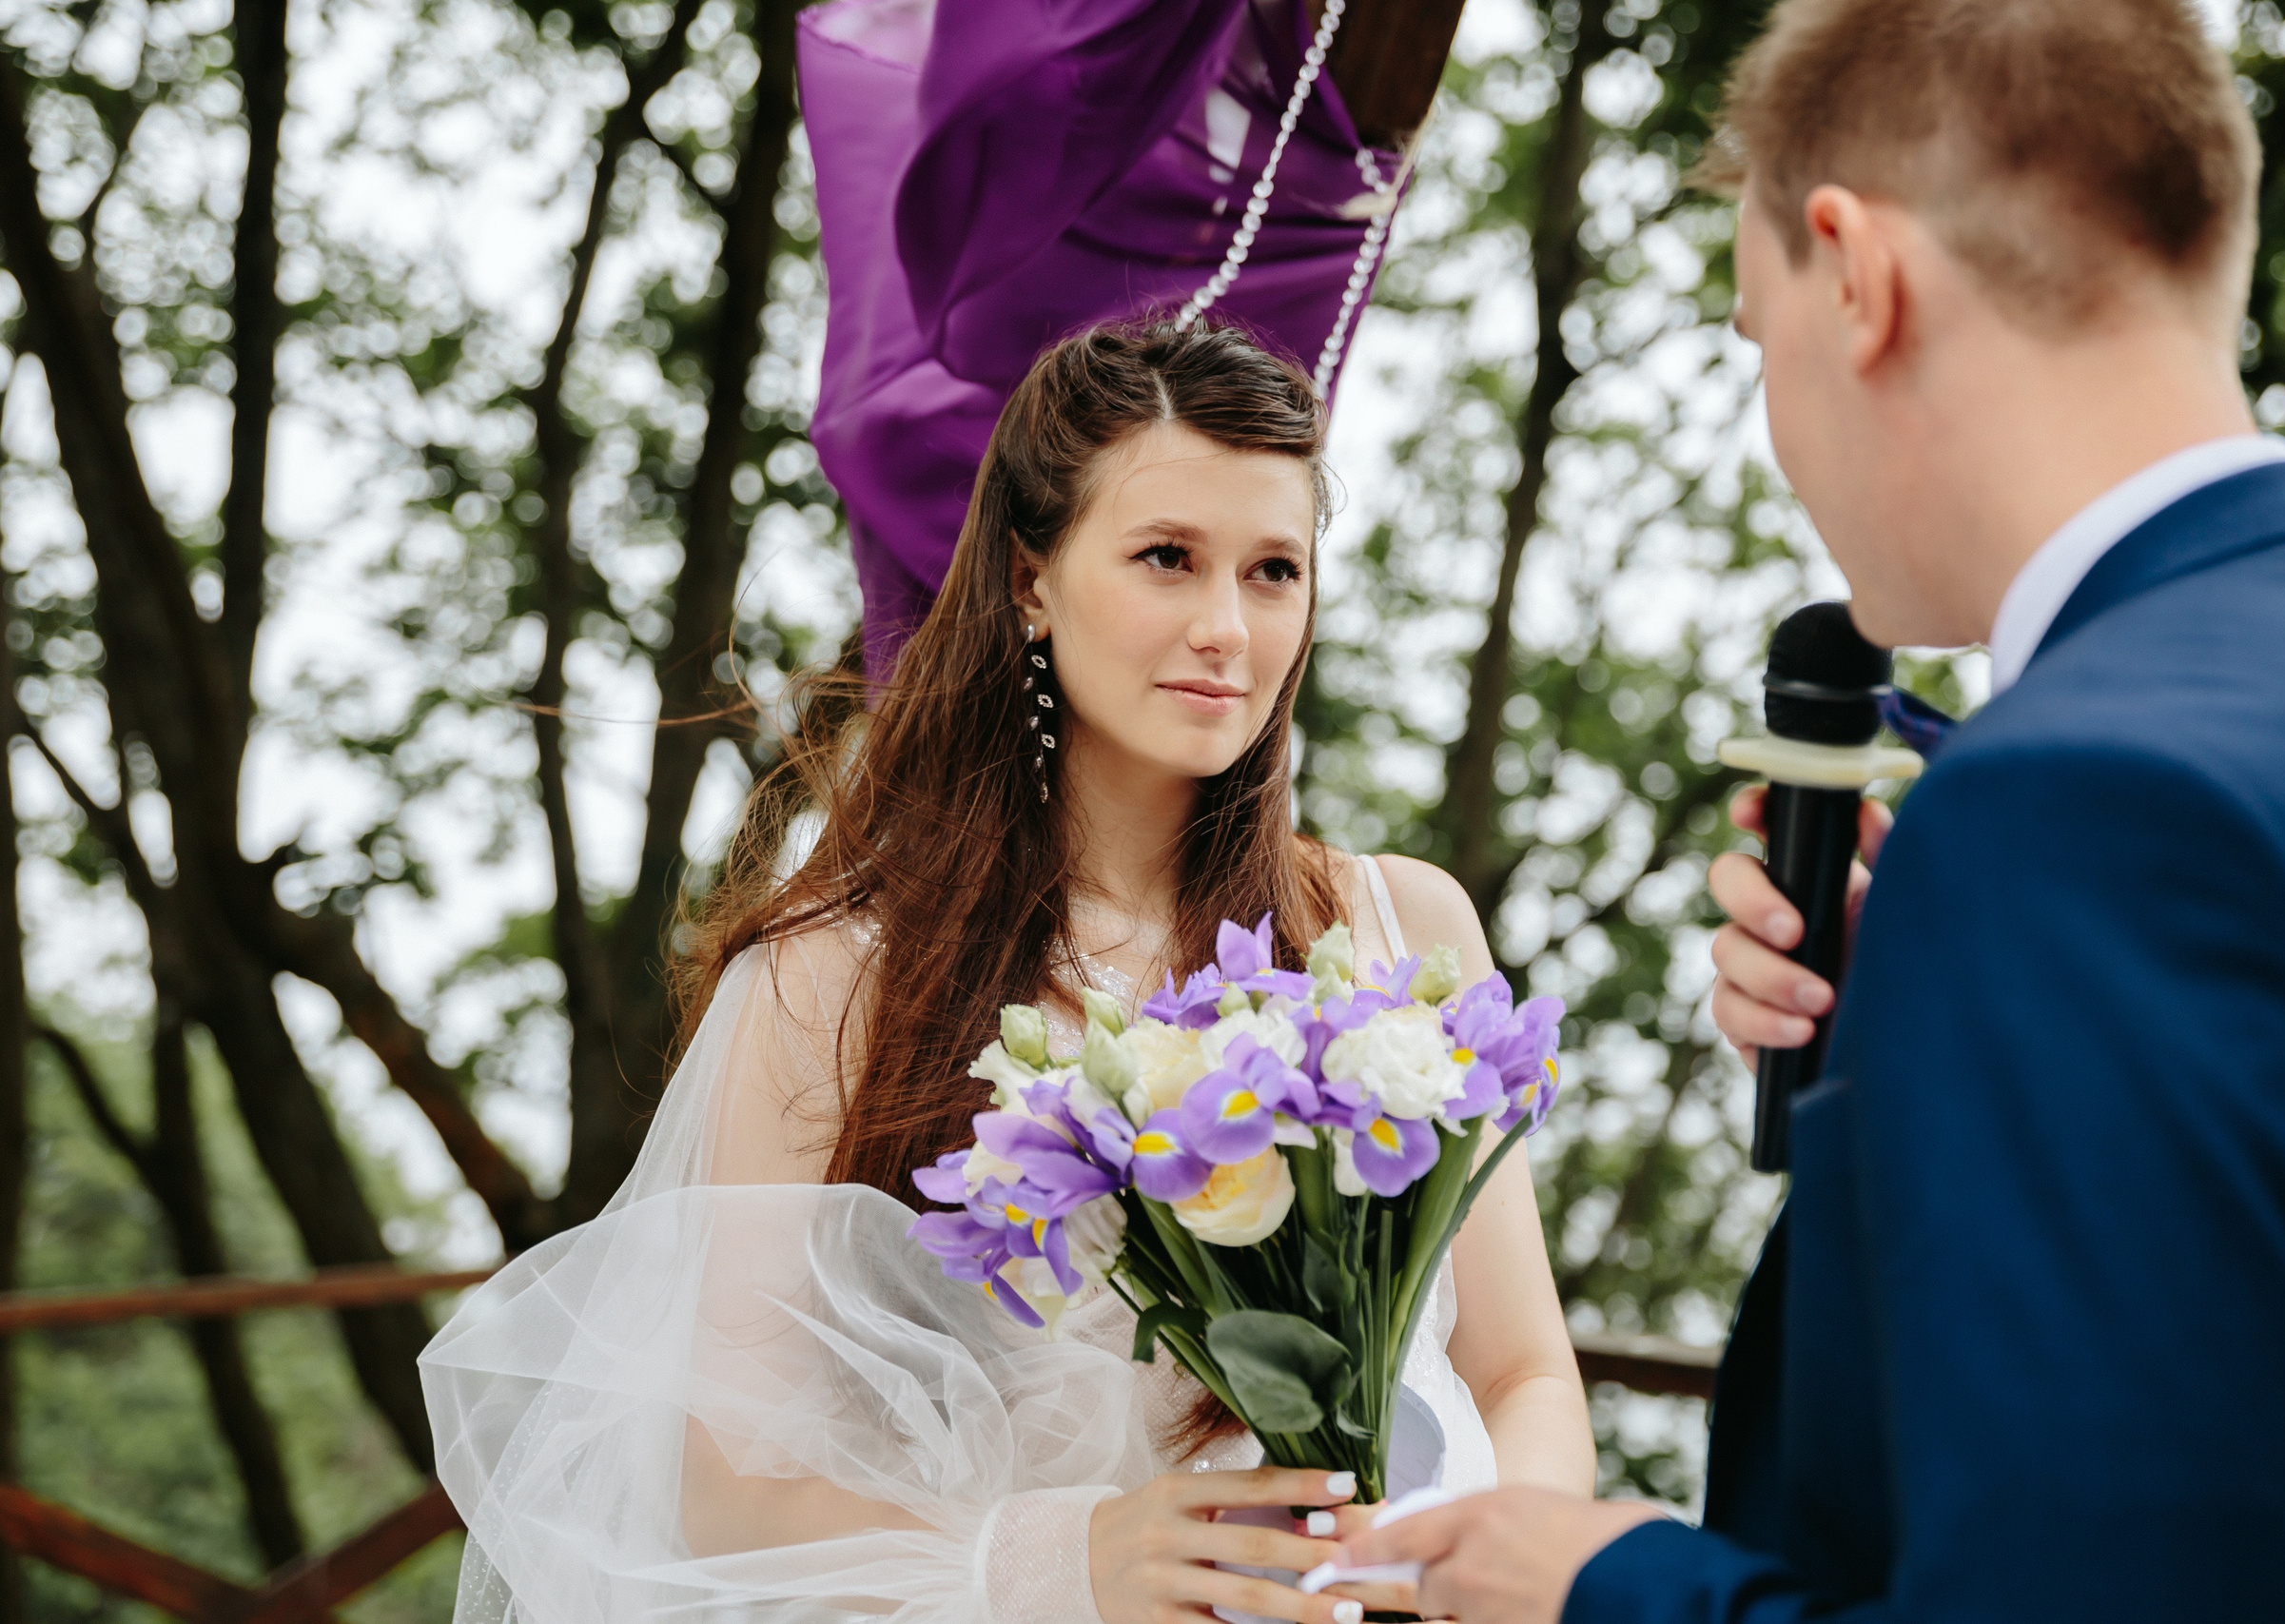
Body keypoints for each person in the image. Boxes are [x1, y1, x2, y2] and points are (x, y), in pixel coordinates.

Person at [1341, 0, 2285, 1618]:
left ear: (1857, 275)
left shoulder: (2085, 812)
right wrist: (1934, 1043)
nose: (1776, 420)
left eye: (1753, 335)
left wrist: (1600, 1586)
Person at [420, 321, 1594, 1624]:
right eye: (1167, 558)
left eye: (1274, 571)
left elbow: (1524, 1375)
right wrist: (1061, 1563)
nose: (1226, 628)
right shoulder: (834, 979)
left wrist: (1479, 1569)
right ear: (1031, 580)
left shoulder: (1398, 926)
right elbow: (730, 1490)